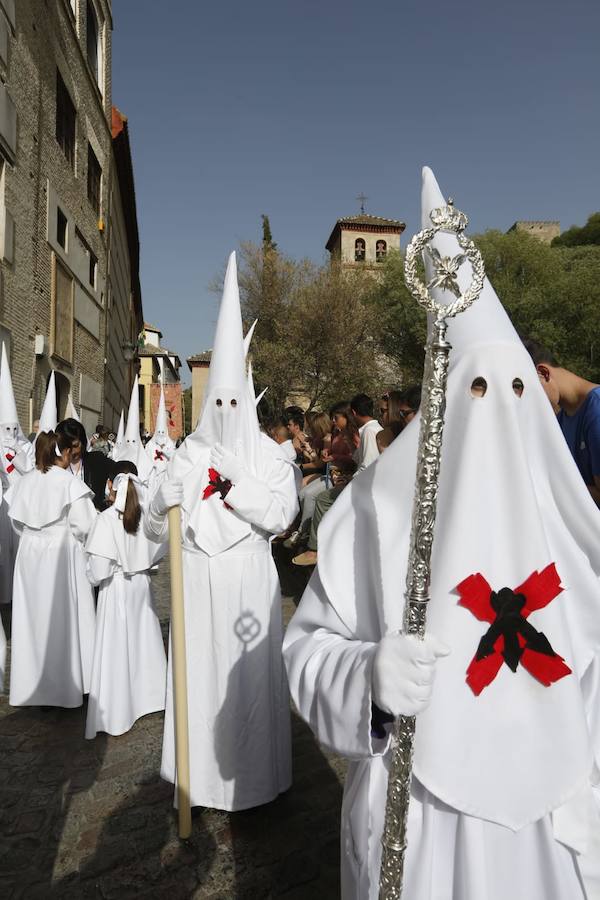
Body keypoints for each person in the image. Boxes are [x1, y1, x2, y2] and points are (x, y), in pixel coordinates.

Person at [283, 168, 600, 900]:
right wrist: (365, 677)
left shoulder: (570, 525)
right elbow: (306, 652)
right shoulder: (378, 514)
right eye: (475, 391)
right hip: (420, 824)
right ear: (441, 405)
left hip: (553, 835)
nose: (495, 412)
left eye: (514, 389)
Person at [145, 252, 298, 812]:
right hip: (194, 588)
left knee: (247, 688)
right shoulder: (188, 453)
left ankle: (254, 784)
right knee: (199, 683)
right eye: (220, 401)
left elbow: (283, 516)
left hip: (247, 586)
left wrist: (239, 486)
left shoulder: (267, 454)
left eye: (237, 401)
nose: (229, 409)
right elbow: (156, 528)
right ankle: (199, 784)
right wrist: (161, 502)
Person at [7, 430, 97, 707]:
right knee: (63, 618)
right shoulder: (68, 482)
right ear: (65, 453)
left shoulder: (26, 481)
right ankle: (68, 686)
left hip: (29, 556)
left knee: (33, 620)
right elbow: (84, 525)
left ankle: (34, 686)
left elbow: (15, 522)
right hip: (61, 553)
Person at [85, 461, 167, 739]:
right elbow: (157, 551)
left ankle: (120, 707)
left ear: (111, 485)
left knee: (119, 647)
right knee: (143, 641)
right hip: (140, 585)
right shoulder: (144, 518)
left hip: (116, 589)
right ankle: (150, 697)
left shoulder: (106, 520)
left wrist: (88, 571)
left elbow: (97, 571)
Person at [524, 339, 600, 506]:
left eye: (528, 392)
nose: (528, 402)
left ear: (544, 373)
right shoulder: (561, 420)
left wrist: (547, 485)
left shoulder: (597, 409)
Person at [0, 343, 33, 604]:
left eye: (14, 428)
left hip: (19, 502)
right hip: (2, 502)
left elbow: (30, 471)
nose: (10, 433)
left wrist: (19, 457)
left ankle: (18, 594)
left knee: (19, 549)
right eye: (5, 428)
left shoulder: (26, 446)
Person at [292, 458, 357, 567]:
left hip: (354, 481)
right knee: (303, 492)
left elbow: (362, 465)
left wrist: (348, 477)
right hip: (338, 475)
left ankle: (314, 548)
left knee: (321, 498)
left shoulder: (366, 442)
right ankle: (302, 531)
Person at [56, 418, 115, 511]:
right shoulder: (54, 467)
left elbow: (122, 470)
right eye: (66, 446)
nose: (71, 452)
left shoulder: (97, 460)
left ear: (83, 442)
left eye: (75, 446)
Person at [350, 394, 383, 471]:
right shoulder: (369, 429)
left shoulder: (369, 430)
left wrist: (350, 481)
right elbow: (357, 459)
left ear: (353, 412)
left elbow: (367, 466)